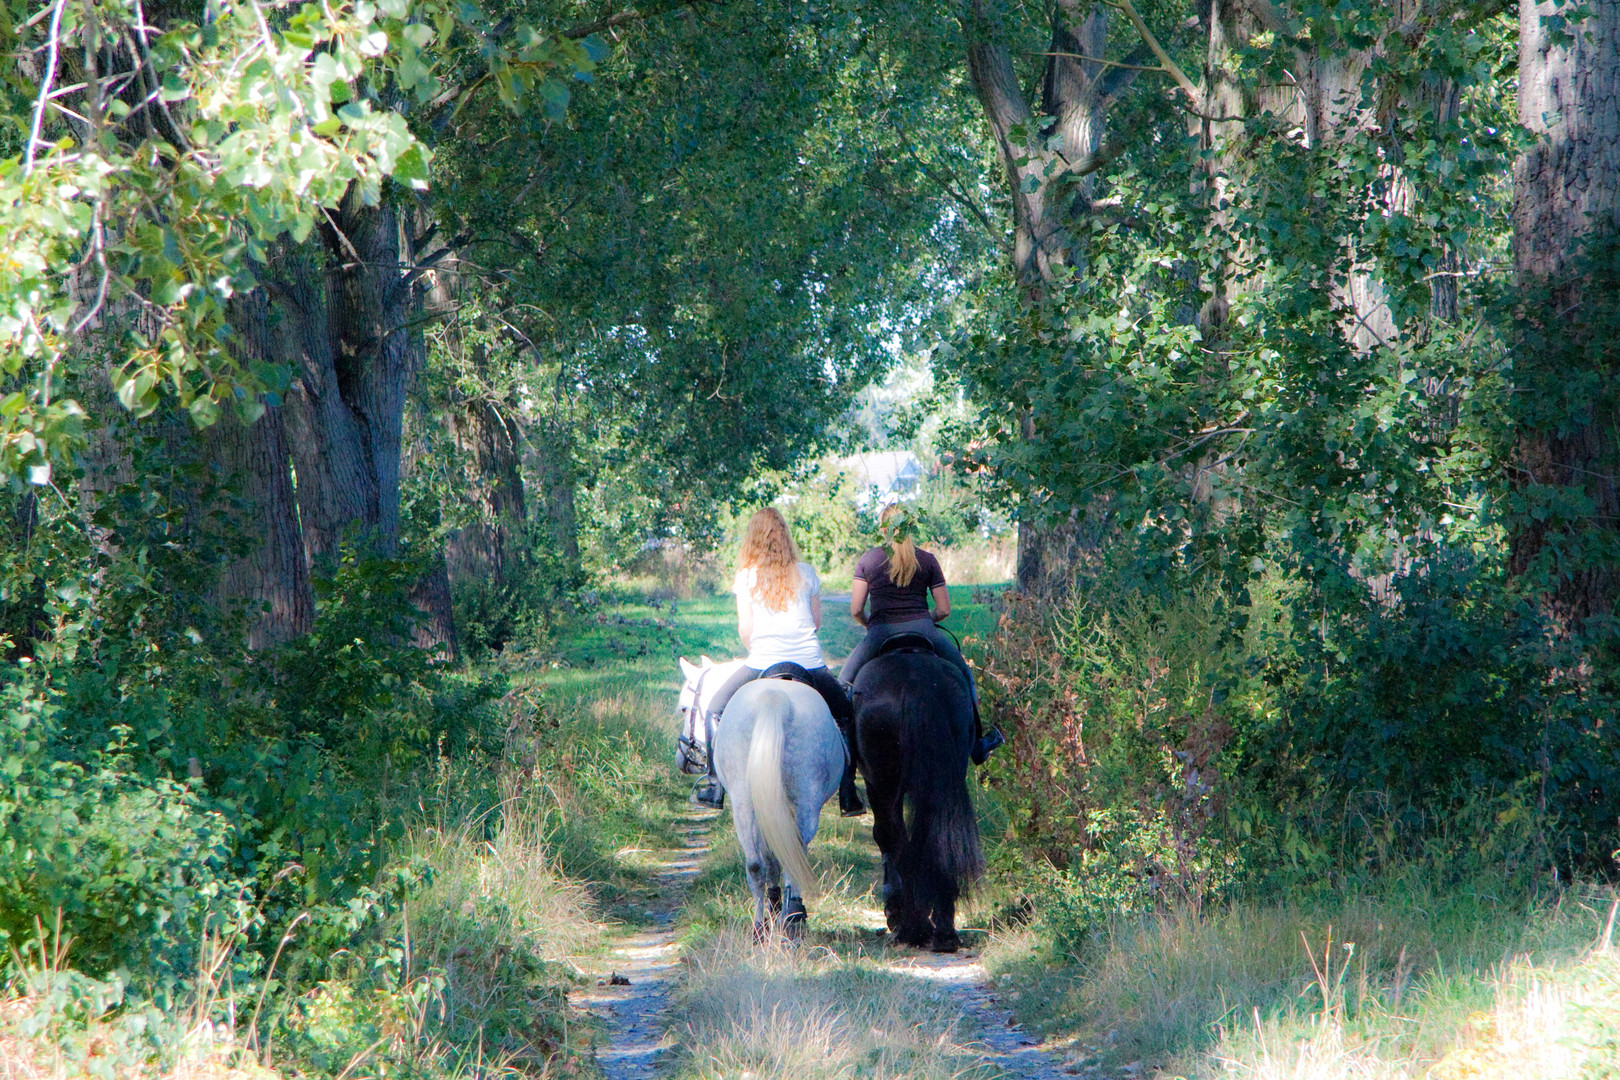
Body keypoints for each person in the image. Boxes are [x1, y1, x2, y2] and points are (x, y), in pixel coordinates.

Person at [691, 508, 863, 814]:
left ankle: (715, 788)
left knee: (715, 710)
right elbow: (816, 622)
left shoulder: (746, 578)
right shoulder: (807, 573)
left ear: (752, 539)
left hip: (762, 663)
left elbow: (746, 632)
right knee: (846, 713)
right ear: (785, 535)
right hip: (809, 663)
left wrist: (762, 646)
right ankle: (849, 794)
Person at [841, 503, 1003, 764]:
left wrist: (869, 624)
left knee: (845, 681)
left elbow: (856, 609)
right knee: (963, 673)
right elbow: (944, 609)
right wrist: (923, 620)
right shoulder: (927, 559)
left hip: (880, 633)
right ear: (910, 527)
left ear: (884, 528)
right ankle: (977, 743)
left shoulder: (868, 560)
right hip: (924, 630)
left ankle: (847, 756)